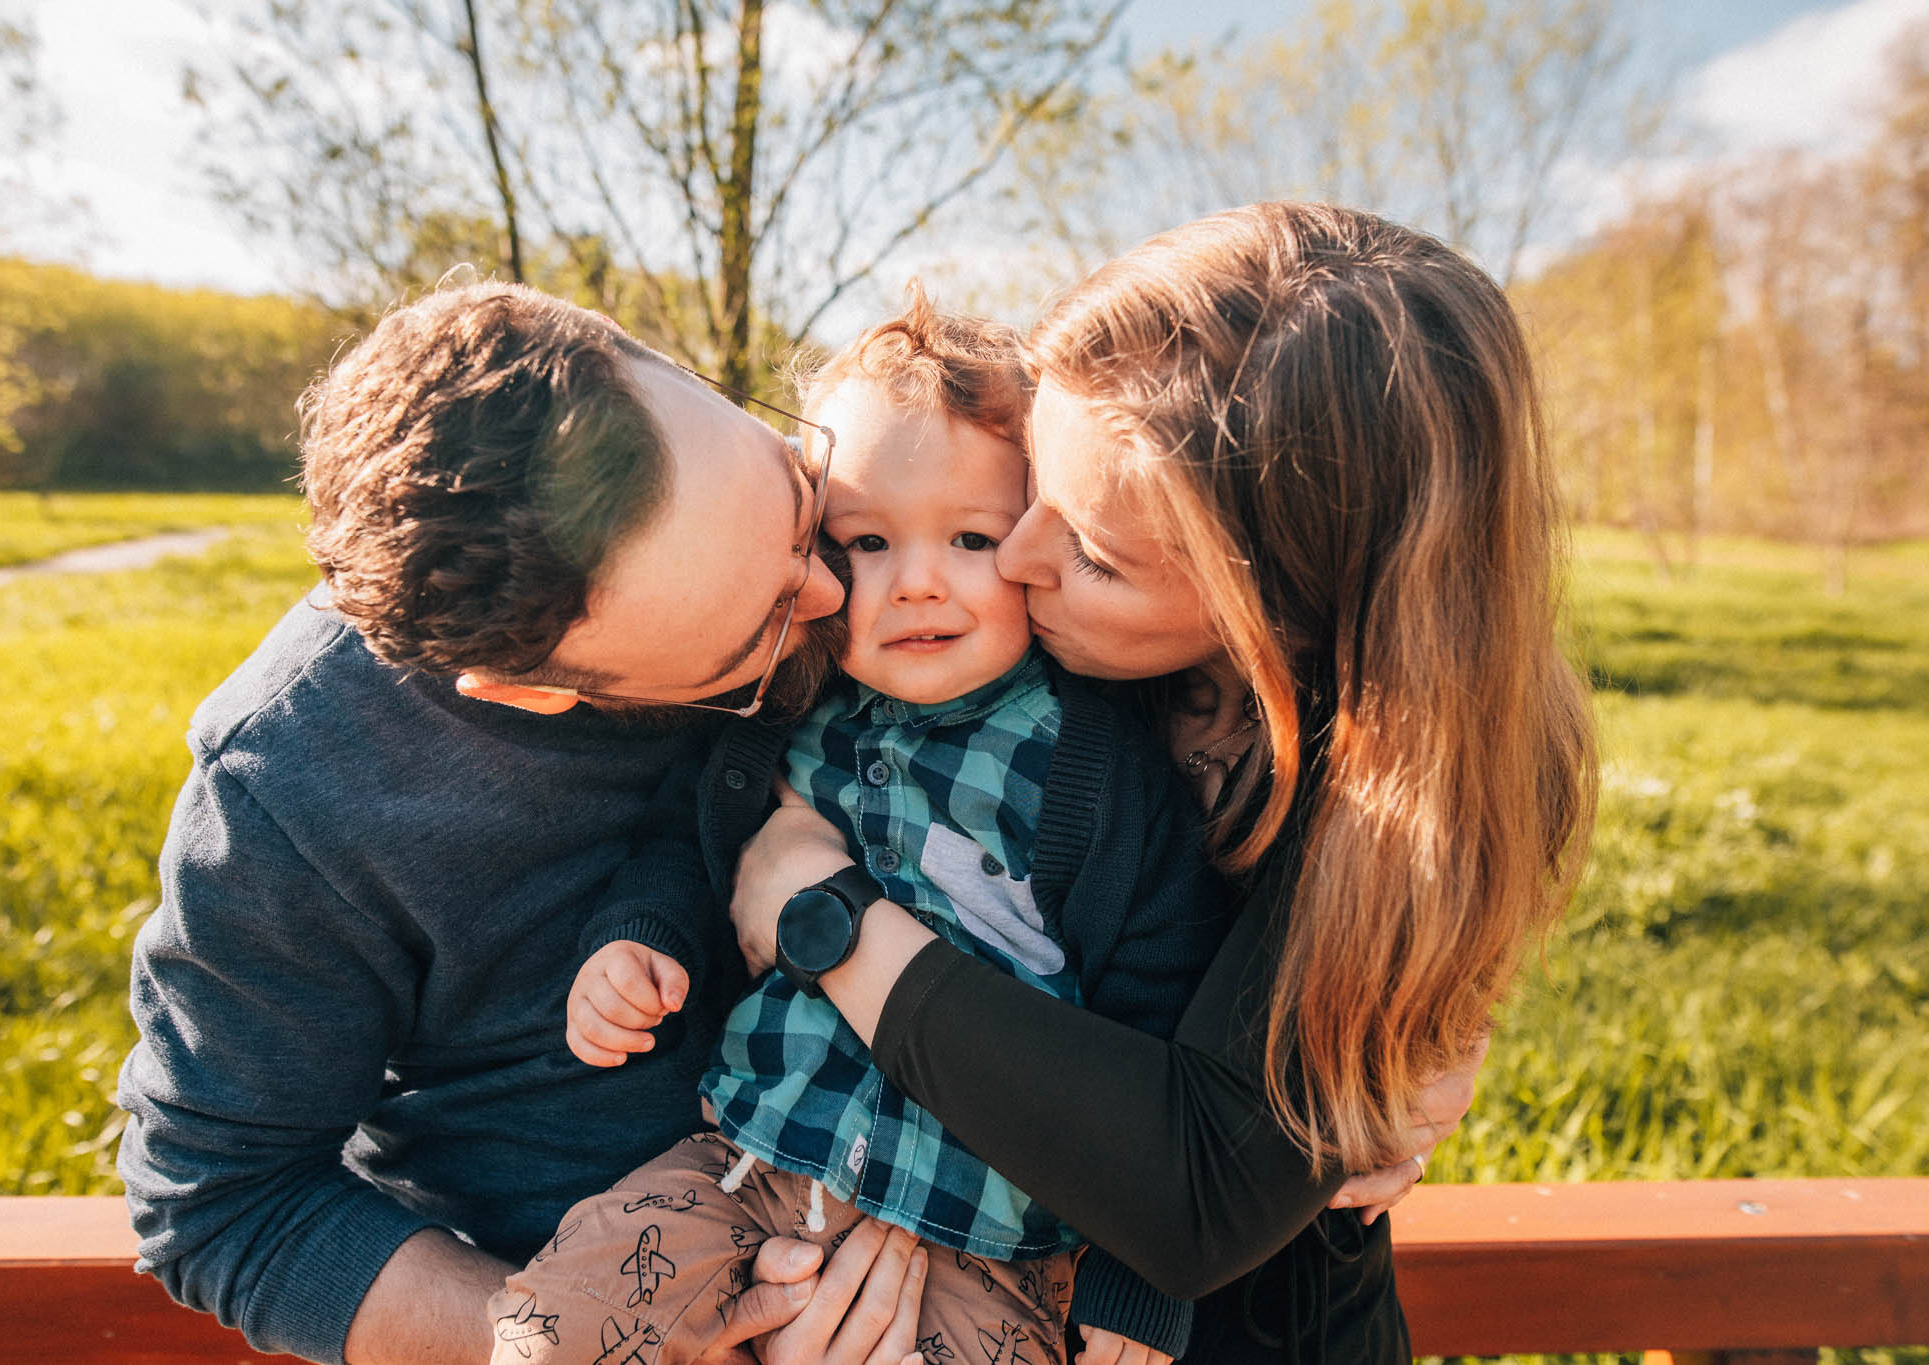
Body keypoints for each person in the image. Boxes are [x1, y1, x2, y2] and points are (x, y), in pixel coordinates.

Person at [725, 203, 1600, 1363]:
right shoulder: (1019, 632)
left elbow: (1195, 1193)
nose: (1019, 560)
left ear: (1278, 612)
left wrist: (822, 917)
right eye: (1036, 482)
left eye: (1090, 551)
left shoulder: (1416, 794)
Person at [115, 282, 931, 1365]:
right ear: (530, 691)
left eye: (792, 489)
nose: (837, 591)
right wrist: (579, 1343)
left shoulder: (856, 543)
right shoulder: (289, 796)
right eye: (759, 637)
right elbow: (226, 1204)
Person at [487, 292, 1224, 1365]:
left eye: (971, 537)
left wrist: (1140, 1283)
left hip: (995, 1245)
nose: (915, 581)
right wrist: (638, 938)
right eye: (865, 542)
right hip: (749, 1167)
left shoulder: (1095, 768)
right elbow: (683, 851)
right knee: (548, 1341)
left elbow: (1162, 1016)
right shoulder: (779, 715)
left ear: (1037, 540)